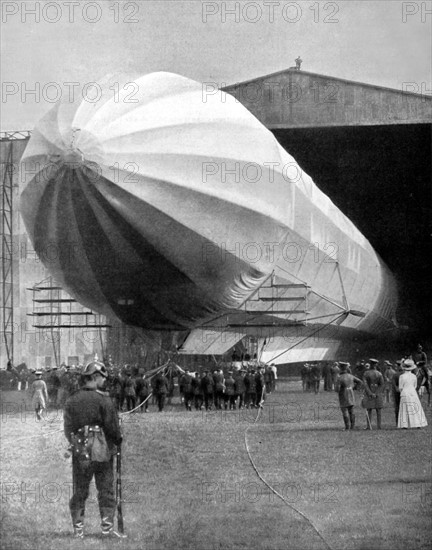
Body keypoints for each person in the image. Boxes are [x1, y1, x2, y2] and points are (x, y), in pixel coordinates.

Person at [63, 361, 123, 539]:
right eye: (103, 378)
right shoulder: (104, 400)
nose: (104, 382)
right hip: (102, 450)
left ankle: (78, 529)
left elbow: (68, 429)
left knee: (80, 490)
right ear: (96, 377)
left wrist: (76, 443)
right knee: (105, 489)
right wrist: (117, 441)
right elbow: (112, 428)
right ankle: (106, 529)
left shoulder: (72, 400)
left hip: (80, 450)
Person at [397, 359, 428, 428]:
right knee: (415, 408)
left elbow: (400, 387)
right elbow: (415, 386)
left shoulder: (402, 376)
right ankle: (417, 424)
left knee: (404, 407)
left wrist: (402, 390)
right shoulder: (414, 376)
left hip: (405, 392)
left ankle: (404, 425)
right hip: (412, 392)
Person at [335, 362, 363, 430]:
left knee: (344, 411)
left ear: (341, 368)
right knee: (351, 411)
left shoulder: (340, 377)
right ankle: (352, 426)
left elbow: (337, 389)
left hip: (343, 394)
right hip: (351, 393)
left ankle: (347, 427)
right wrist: (354, 388)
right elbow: (360, 382)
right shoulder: (351, 376)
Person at [362, 358, 384, 429]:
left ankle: (369, 426)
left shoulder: (366, 373)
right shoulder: (379, 374)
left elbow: (365, 384)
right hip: (378, 392)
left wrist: (370, 393)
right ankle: (379, 426)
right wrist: (377, 393)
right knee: (378, 410)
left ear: (370, 364)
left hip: (369, 392)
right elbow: (382, 385)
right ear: (376, 365)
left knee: (369, 409)